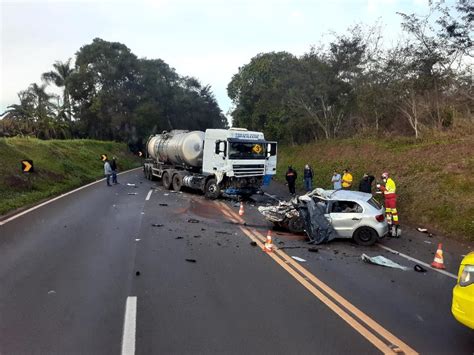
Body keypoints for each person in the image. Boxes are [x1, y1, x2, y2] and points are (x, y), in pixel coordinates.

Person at [377, 172, 399, 237]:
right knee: (388, 213)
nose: (383, 179)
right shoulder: (387, 182)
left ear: (386, 177)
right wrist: (381, 192)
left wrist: (380, 187)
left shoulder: (390, 182)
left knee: (394, 212)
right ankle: (389, 225)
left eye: (383, 178)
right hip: (387, 200)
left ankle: (396, 225)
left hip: (391, 199)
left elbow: (386, 189)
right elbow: (386, 191)